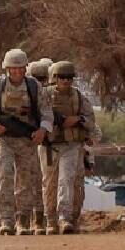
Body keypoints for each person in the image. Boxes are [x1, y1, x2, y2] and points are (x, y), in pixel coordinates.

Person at [0, 48, 53, 235]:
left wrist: (43, 130)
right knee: (4, 176)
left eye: (20, 68)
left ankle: (23, 220)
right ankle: (5, 221)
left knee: (25, 181)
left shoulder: (34, 86)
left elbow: (46, 111)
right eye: (13, 68)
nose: (17, 72)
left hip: (26, 140)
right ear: (6, 69)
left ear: (25, 68)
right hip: (4, 140)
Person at [43, 61, 94, 234]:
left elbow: (91, 120)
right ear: (55, 78)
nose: (66, 81)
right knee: (50, 184)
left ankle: (65, 218)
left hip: (72, 145)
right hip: (50, 146)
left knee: (67, 180)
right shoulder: (45, 96)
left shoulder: (78, 96)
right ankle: (50, 219)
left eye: (69, 78)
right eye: (62, 77)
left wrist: (78, 120)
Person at [28, 59, 54, 233]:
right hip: (28, 144)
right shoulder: (26, 94)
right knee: (31, 183)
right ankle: (35, 220)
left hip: (52, 144)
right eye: (37, 78)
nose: (40, 82)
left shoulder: (56, 94)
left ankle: (50, 218)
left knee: (51, 184)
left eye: (43, 78)